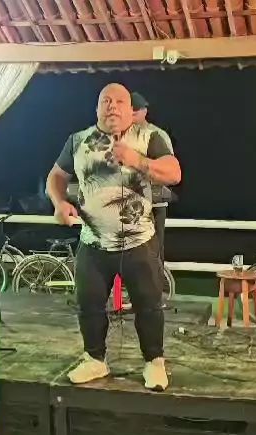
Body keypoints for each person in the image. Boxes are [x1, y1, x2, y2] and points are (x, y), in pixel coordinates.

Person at [46, 83, 182, 391]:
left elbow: (174, 173)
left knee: (148, 305)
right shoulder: (77, 141)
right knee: (89, 304)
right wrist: (59, 202)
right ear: (96, 109)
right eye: (105, 101)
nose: (112, 106)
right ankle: (95, 359)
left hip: (139, 241)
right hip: (93, 241)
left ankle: (154, 362)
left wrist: (136, 160)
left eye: (119, 101)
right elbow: (56, 176)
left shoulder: (150, 137)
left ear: (130, 110)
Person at [131, 92, 173, 263]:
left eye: (136, 110)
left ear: (145, 111)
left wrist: (141, 168)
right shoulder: (123, 135)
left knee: (154, 251)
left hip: (155, 203)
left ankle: (158, 279)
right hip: (130, 204)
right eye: (130, 110)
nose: (133, 114)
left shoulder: (157, 135)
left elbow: (169, 170)